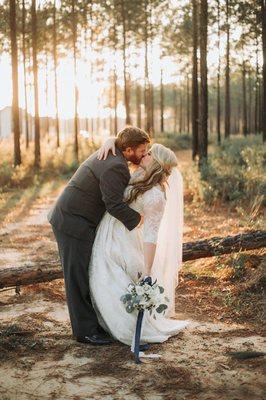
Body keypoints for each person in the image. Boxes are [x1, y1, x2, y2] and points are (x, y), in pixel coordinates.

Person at [48, 126, 150, 345]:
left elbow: (116, 140)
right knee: (77, 277)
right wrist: (137, 219)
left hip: (75, 219)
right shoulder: (116, 167)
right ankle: (85, 332)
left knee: (82, 273)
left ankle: (90, 325)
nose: (144, 154)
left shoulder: (113, 151)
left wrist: (111, 139)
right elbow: (113, 204)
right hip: (72, 222)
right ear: (129, 149)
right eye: (142, 150)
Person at [89, 142, 189, 351]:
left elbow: (151, 236)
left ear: (157, 163)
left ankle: (127, 328)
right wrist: (110, 141)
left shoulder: (156, 196)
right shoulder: (140, 175)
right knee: (102, 279)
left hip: (123, 239)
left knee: (109, 280)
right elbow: (125, 144)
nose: (145, 154)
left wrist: (148, 269)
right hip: (108, 232)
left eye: (150, 154)